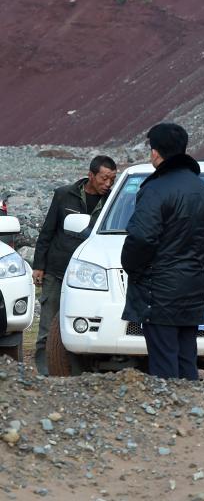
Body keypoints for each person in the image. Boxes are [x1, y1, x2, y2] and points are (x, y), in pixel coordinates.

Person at [121, 123, 204, 380]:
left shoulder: (155, 189)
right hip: (193, 290)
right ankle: (192, 413)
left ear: (155, 153)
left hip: (160, 292)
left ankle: (168, 415)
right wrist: (202, 285)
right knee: (187, 359)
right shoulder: (203, 191)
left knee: (163, 363)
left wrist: (131, 267)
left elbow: (141, 237)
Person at [32, 155, 117, 374]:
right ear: (91, 175)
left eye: (112, 179)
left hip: (91, 277)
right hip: (58, 270)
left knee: (83, 324)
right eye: (104, 178)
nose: (108, 184)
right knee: (47, 326)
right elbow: (48, 231)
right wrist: (39, 265)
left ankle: (79, 374)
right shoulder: (64, 195)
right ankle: (44, 372)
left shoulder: (113, 201)